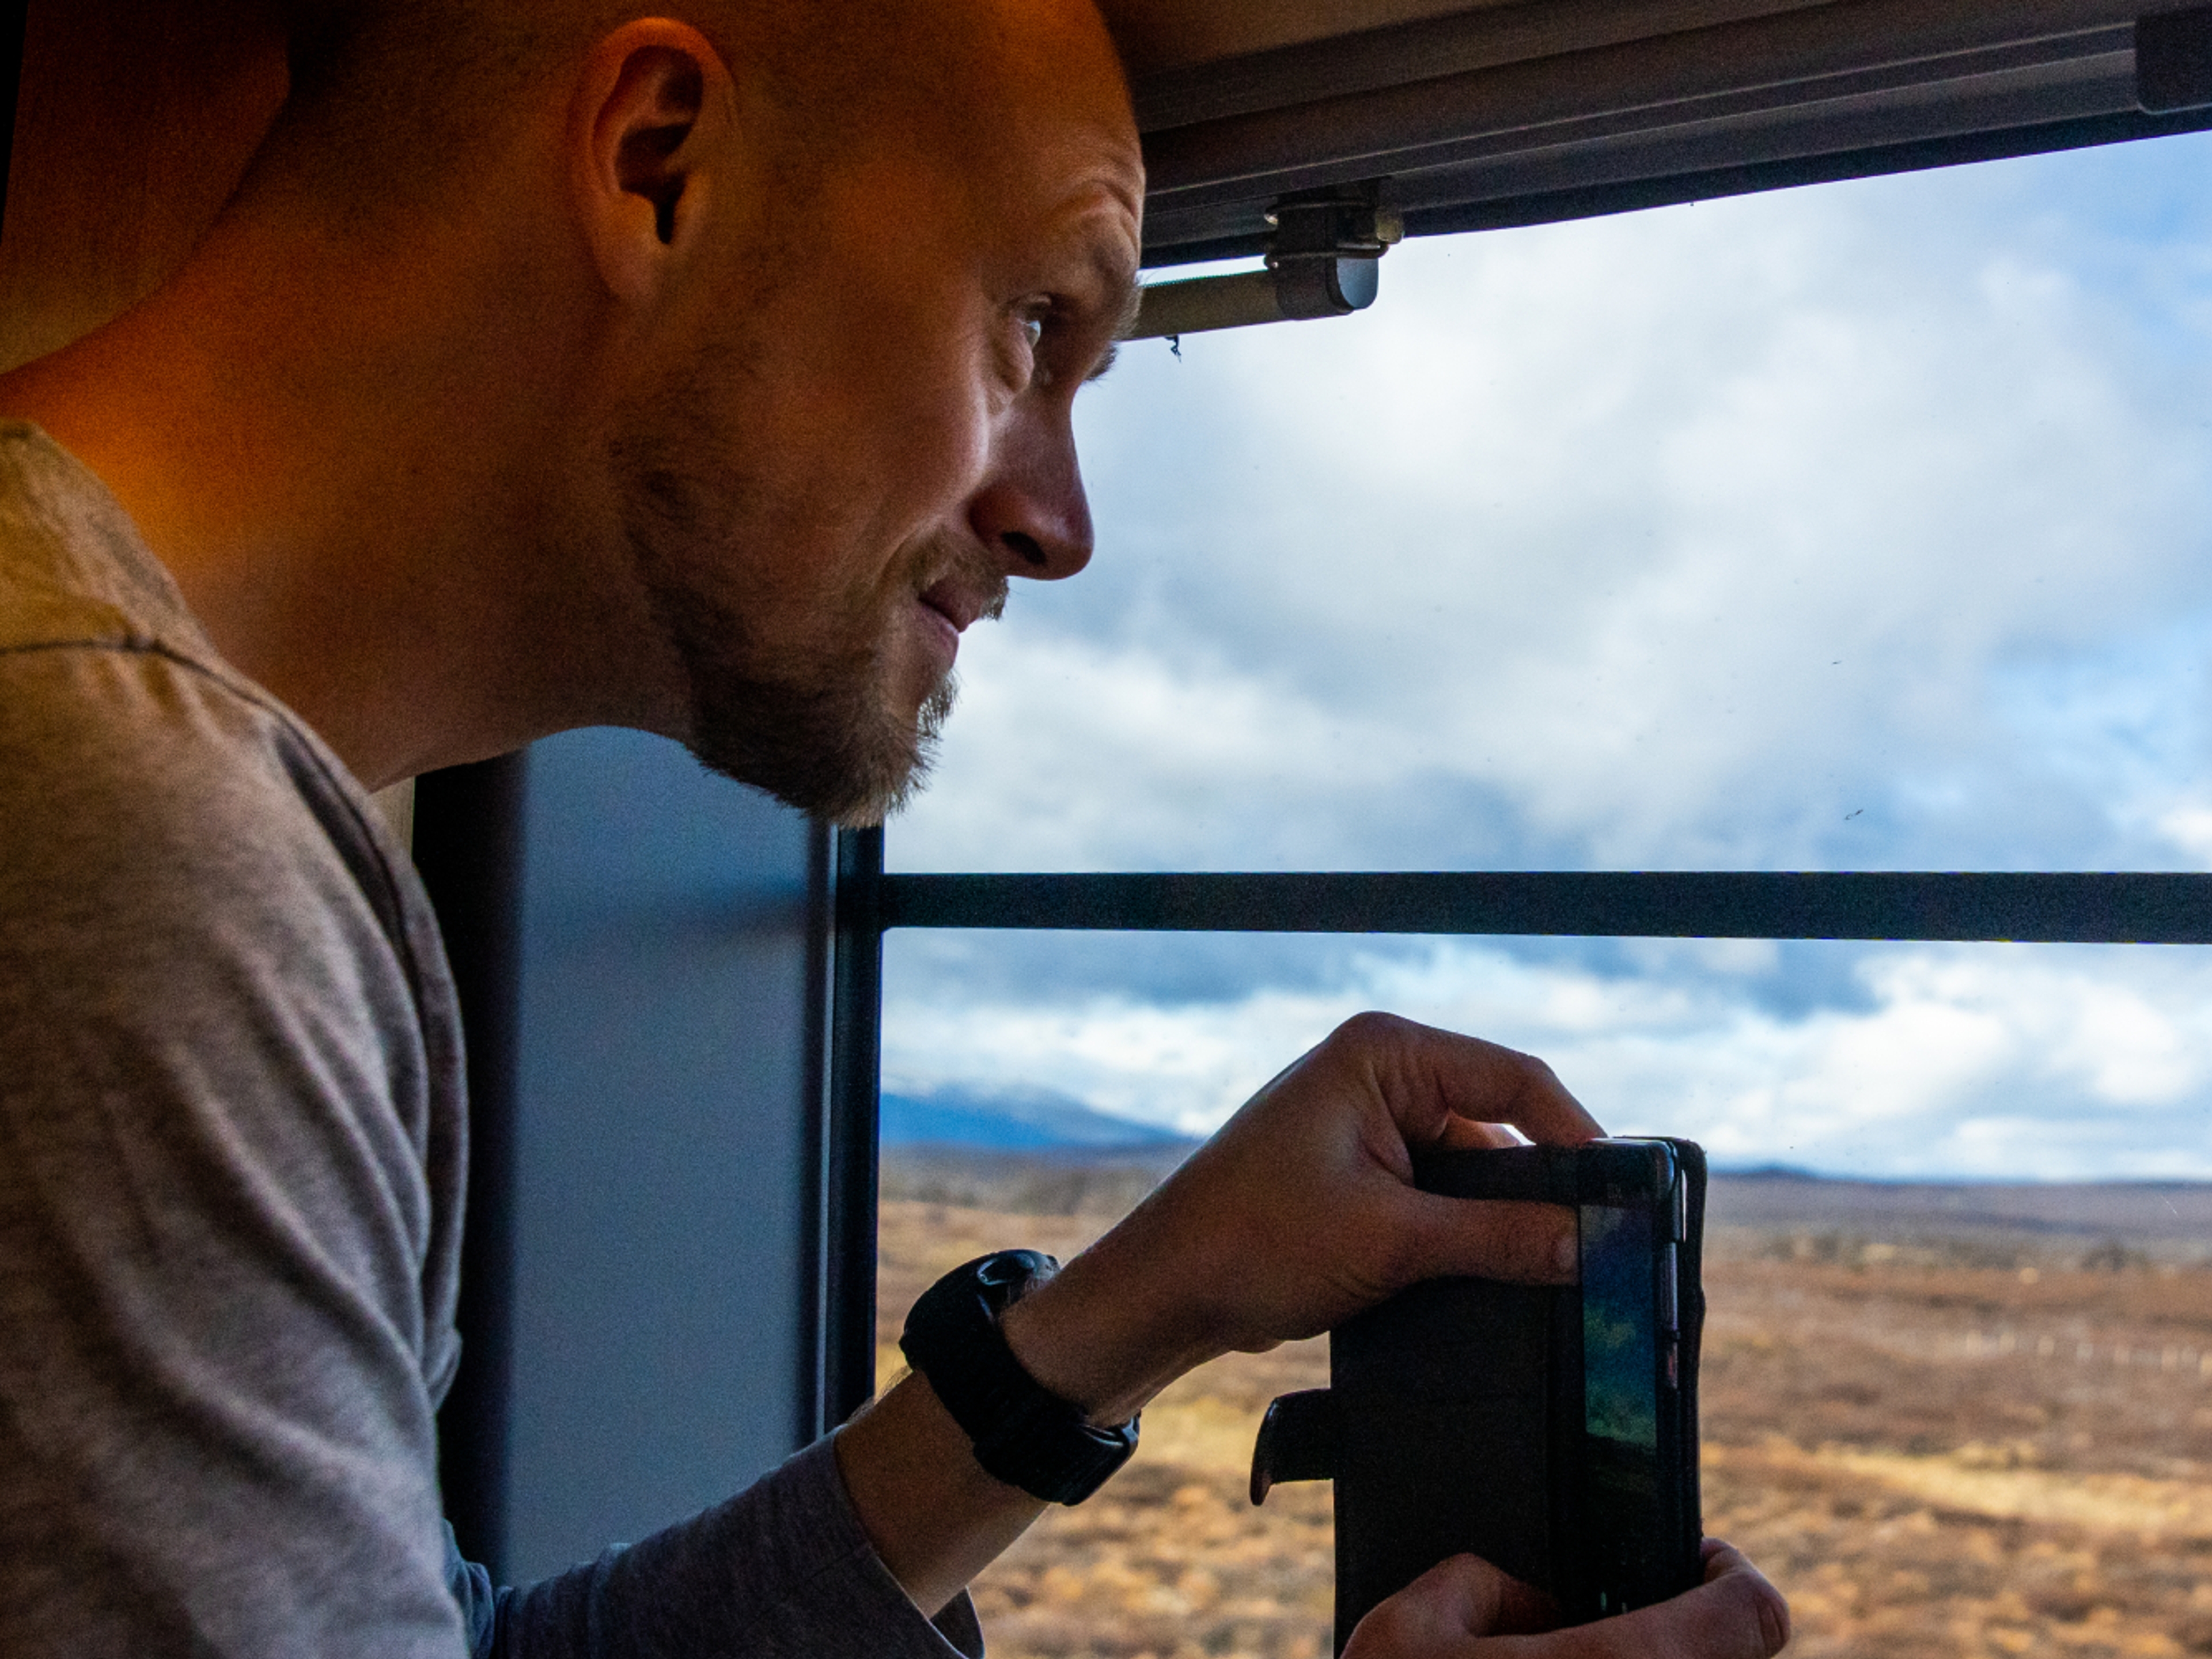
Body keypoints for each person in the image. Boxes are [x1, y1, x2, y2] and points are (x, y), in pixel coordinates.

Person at [0, 1, 1792, 1654]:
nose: (1061, 526)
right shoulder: (122, 824)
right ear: (659, 167)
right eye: (1036, 324)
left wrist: (1134, 1310)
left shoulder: (156, 773)